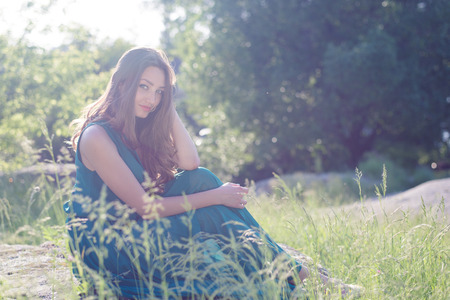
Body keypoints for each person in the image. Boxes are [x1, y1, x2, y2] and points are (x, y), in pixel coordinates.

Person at [64, 47, 355, 299]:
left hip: (138, 230)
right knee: (210, 209)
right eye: (144, 86)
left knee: (200, 177)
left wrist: (168, 108)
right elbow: (146, 208)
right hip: (113, 249)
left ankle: (290, 274)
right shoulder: (97, 137)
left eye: (160, 92)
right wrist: (217, 196)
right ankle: (304, 277)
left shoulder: (140, 125)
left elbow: (190, 164)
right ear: (122, 83)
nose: (151, 99)